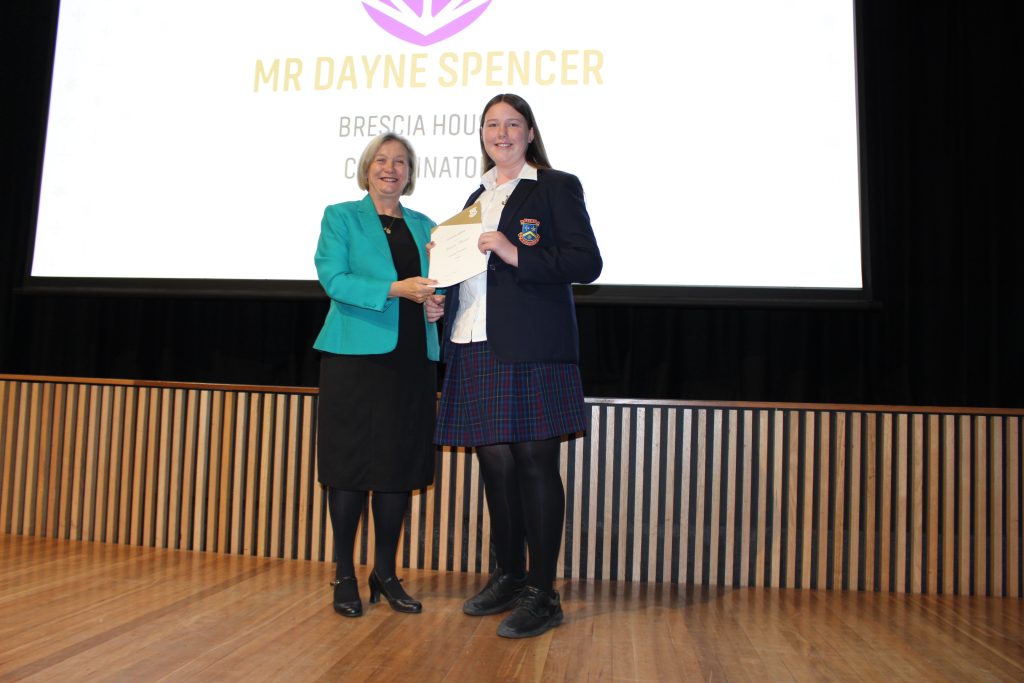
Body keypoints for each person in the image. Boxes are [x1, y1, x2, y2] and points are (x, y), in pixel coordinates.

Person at [429, 93, 602, 638]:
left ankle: (543, 593)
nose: (501, 133)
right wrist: (440, 301)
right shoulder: (475, 197)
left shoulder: (554, 186)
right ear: (482, 134)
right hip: (473, 340)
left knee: (533, 464)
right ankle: (508, 575)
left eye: (512, 124)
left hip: (531, 345)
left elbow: (586, 262)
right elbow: (467, 273)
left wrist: (513, 251)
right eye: (491, 125)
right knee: (495, 468)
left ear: (529, 133)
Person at [314, 132, 441, 618]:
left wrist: (434, 304)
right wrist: (396, 288)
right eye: (382, 160)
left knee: (398, 468)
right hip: (354, 358)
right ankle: (344, 574)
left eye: (400, 162)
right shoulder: (341, 217)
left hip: (411, 360)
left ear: (410, 173)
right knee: (348, 467)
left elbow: (435, 286)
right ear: (366, 168)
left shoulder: (426, 225)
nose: (391, 168)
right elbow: (335, 279)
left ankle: (385, 573)